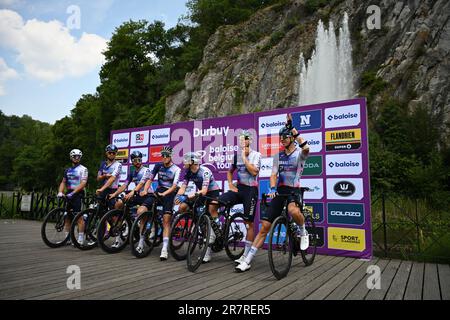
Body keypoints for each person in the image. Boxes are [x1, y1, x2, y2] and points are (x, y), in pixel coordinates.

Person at [235, 114, 310, 272]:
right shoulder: (278, 156)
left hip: (294, 190)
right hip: (280, 191)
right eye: (280, 138)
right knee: (265, 227)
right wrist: (273, 189)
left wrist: (293, 129)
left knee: (292, 210)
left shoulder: (299, 154)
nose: (282, 140)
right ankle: (247, 260)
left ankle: (303, 230)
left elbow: (306, 147)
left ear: (290, 138)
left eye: (284, 137)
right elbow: (273, 175)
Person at [213, 130, 261, 265]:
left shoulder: (256, 155)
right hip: (238, 189)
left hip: (251, 190)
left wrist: (244, 158)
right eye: (240, 139)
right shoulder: (236, 156)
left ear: (250, 141)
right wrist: (230, 184)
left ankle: (246, 255)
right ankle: (217, 233)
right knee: (214, 203)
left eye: (245, 139)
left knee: (249, 223)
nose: (242, 141)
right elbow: (229, 172)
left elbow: (253, 171)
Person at [135, 146, 181, 260]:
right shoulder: (157, 166)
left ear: (171, 156)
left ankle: (164, 248)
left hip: (169, 193)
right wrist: (145, 190)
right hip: (159, 191)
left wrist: (165, 194)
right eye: (163, 155)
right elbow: (150, 179)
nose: (164, 157)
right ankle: (140, 243)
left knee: (166, 220)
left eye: (167, 155)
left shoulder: (176, 169)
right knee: (142, 211)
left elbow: (175, 186)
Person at [174, 151, 221, 263]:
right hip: (200, 193)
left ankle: (213, 235)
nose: (183, 162)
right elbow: (183, 187)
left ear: (193, 162)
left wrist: (186, 197)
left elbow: (204, 191)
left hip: (212, 192)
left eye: (186, 160)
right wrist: (179, 195)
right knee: (183, 207)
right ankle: (198, 222)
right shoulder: (188, 172)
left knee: (210, 212)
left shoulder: (204, 171)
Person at [108, 150, 151, 249]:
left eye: (139, 160)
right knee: (118, 204)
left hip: (147, 195)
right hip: (137, 195)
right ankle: (119, 237)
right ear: (132, 161)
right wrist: (114, 194)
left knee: (141, 212)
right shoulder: (132, 172)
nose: (138, 162)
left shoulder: (146, 170)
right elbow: (124, 185)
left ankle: (140, 244)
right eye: (135, 160)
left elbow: (141, 183)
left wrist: (132, 192)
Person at [57, 149, 88, 245]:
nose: (76, 158)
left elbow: (83, 183)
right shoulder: (67, 170)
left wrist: (74, 193)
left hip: (78, 194)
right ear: (71, 157)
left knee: (79, 217)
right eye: (74, 156)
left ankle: (80, 238)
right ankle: (67, 238)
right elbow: (63, 182)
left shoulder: (84, 169)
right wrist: (60, 192)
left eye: (78, 156)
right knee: (67, 217)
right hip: (69, 193)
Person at [96, 144, 122, 211]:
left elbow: (112, 178)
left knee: (112, 214)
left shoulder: (118, 165)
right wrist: (104, 176)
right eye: (110, 152)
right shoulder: (103, 164)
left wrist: (101, 189)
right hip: (104, 190)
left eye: (113, 153)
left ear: (116, 154)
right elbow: (98, 178)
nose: (111, 154)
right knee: (100, 212)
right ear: (106, 153)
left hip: (112, 190)